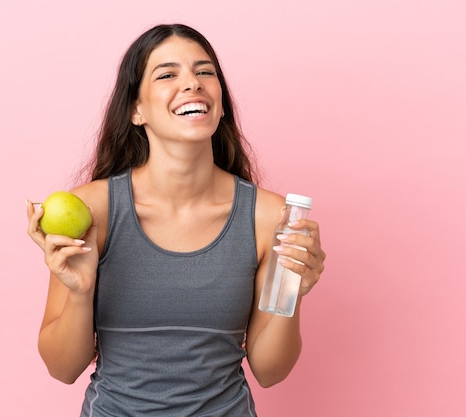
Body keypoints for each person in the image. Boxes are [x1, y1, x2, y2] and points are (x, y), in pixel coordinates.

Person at [26, 23, 326, 416]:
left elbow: (270, 371)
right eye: (167, 74)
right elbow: (62, 368)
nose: (193, 84)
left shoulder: (271, 217)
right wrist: (81, 293)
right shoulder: (91, 211)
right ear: (136, 109)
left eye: (205, 72)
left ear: (220, 100)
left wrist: (293, 293)